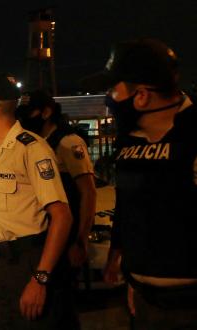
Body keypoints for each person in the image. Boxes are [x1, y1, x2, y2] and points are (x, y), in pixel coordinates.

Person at [83, 38, 197, 328]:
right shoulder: (128, 141)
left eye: (114, 89)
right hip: (143, 298)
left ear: (142, 96)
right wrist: (119, 259)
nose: (109, 98)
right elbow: (128, 203)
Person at [0, 71, 76, 328]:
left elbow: (62, 216)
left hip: (28, 264)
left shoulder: (32, 148)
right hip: (2, 265)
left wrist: (40, 279)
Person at [16, 91, 97, 274]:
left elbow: (88, 192)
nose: (24, 119)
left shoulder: (68, 142)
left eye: (29, 113)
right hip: (43, 233)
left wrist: (81, 240)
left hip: (65, 233)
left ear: (46, 113)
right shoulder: (37, 142)